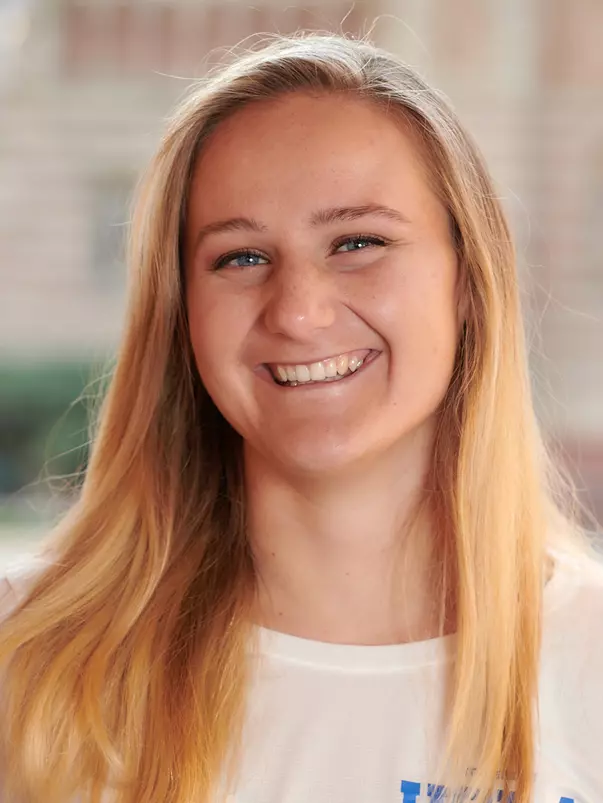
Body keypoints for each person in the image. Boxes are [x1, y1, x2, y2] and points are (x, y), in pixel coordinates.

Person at [0, 32, 601, 803]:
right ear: (182, 312)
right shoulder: (29, 662)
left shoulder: (588, 658)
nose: (298, 311)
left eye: (358, 242)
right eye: (240, 257)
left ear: (466, 280)